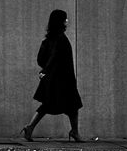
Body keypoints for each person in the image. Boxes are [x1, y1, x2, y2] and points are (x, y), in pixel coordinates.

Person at [21, 9, 84, 142]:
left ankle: (30, 127)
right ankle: (75, 132)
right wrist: (46, 71)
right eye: (65, 19)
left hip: (53, 78)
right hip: (62, 79)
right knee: (72, 104)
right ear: (60, 21)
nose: (67, 21)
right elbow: (55, 58)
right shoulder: (60, 38)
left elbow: (41, 59)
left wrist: (45, 70)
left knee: (49, 105)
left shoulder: (49, 38)